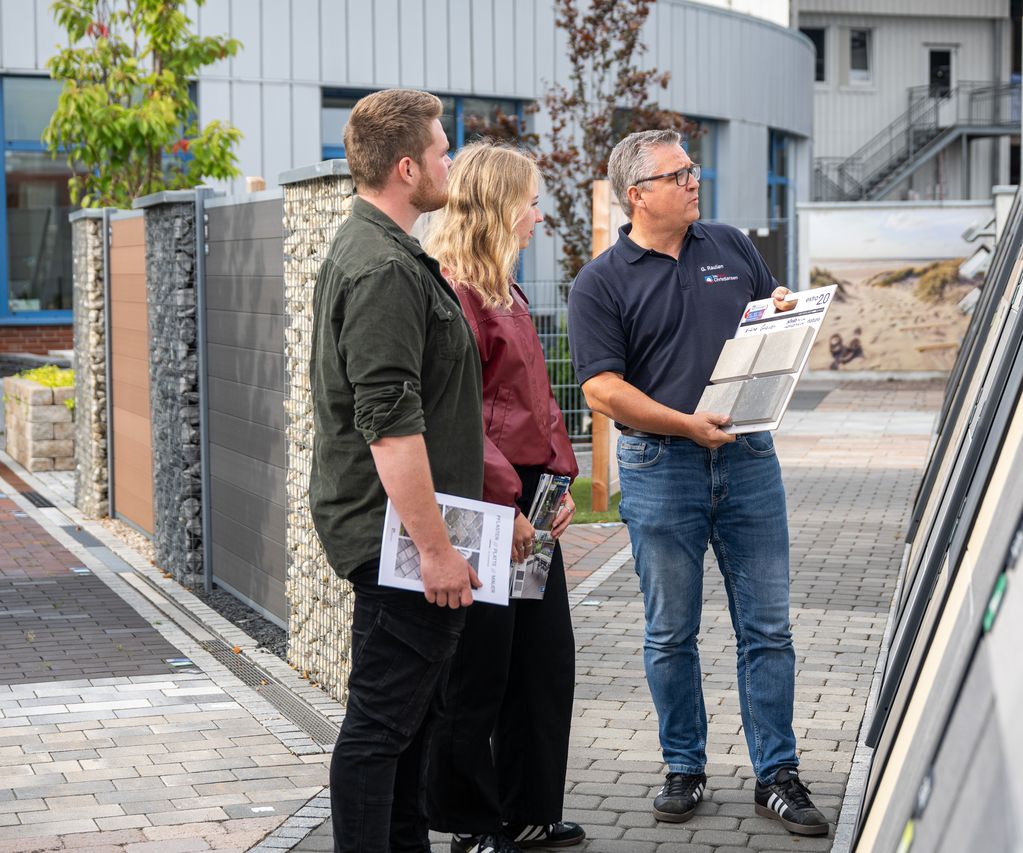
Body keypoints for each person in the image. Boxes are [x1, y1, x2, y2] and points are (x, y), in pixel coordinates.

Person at [567, 129, 829, 837]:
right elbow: (601, 390)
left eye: (692, 169)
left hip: (748, 459)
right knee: (669, 632)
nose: (693, 181)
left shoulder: (731, 245)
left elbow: (767, 318)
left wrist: (785, 313)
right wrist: (684, 425)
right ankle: (683, 766)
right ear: (637, 194)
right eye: (677, 174)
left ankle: (777, 775)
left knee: (767, 628)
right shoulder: (599, 282)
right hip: (660, 468)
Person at [309, 88, 485, 853]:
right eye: (442, 150)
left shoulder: (385, 250)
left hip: (402, 536)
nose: (451, 161)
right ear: (407, 167)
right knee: (381, 727)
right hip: (398, 543)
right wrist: (435, 549)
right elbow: (389, 427)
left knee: (409, 724)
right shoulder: (382, 267)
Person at [424, 142, 585, 853]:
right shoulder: (453, 292)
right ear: (496, 207)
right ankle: (470, 823)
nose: (537, 216)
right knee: (477, 670)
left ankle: (528, 810)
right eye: (529, 202)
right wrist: (504, 505)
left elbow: (538, 401)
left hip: (527, 498)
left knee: (542, 662)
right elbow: (453, 415)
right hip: (481, 498)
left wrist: (561, 482)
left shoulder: (507, 291)